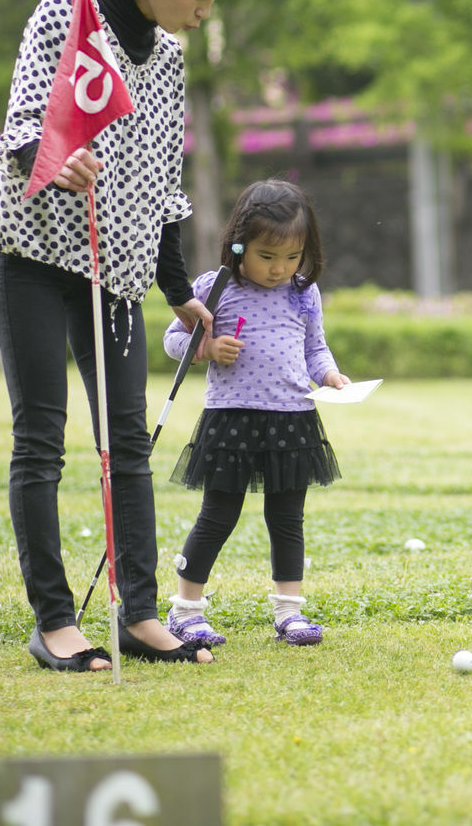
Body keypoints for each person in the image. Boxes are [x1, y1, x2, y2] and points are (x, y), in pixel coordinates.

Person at [0, 0, 246, 670]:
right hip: (32, 252)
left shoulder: (167, 58)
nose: (202, 11)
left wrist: (177, 291)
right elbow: (21, 124)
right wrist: (51, 158)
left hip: (116, 272)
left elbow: (164, 185)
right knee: (40, 440)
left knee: (126, 443)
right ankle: (55, 621)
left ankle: (137, 613)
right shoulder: (67, 14)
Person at [160, 179, 350, 650]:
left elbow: (314, 348)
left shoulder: (304, 292)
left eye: (292, 257)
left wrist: (329, 376)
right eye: (267, 256)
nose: (280, 268)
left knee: (288, 518)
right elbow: (172, 341)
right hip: (232, 419)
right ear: (239, 244)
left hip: (292, 419)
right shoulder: (214, 286)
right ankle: (185, 612)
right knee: (217, 515)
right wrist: (206, 347)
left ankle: (289, 611)